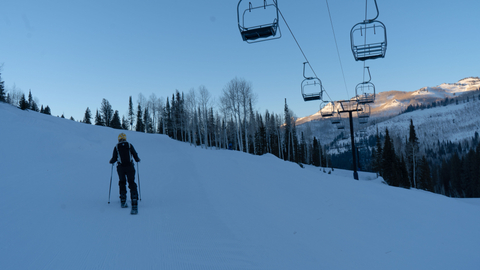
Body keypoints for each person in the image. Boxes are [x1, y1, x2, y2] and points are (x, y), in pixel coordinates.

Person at [109, 133, 141, 213]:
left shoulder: (116, 147)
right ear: (125, 138)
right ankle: (134, 198)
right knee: (131, 182)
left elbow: (114, 158)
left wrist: (111, 161)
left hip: (121, 167)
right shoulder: (129, 145)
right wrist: (137, 159)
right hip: (130, 166)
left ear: (118, 139)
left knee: (122, 182)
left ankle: (123, 199)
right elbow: (134, 154)